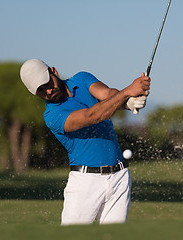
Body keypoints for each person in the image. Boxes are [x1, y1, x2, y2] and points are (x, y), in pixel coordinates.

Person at [19, 59, 150, 225]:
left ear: (54, 71)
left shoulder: (81, 79)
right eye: (41, 90)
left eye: (47, 83)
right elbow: (92, 116)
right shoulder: (52, 116)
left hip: (120, 177)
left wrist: (128, 102)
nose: (48, 91)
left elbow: (108, 95)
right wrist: (127, 92)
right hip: (85, 183)